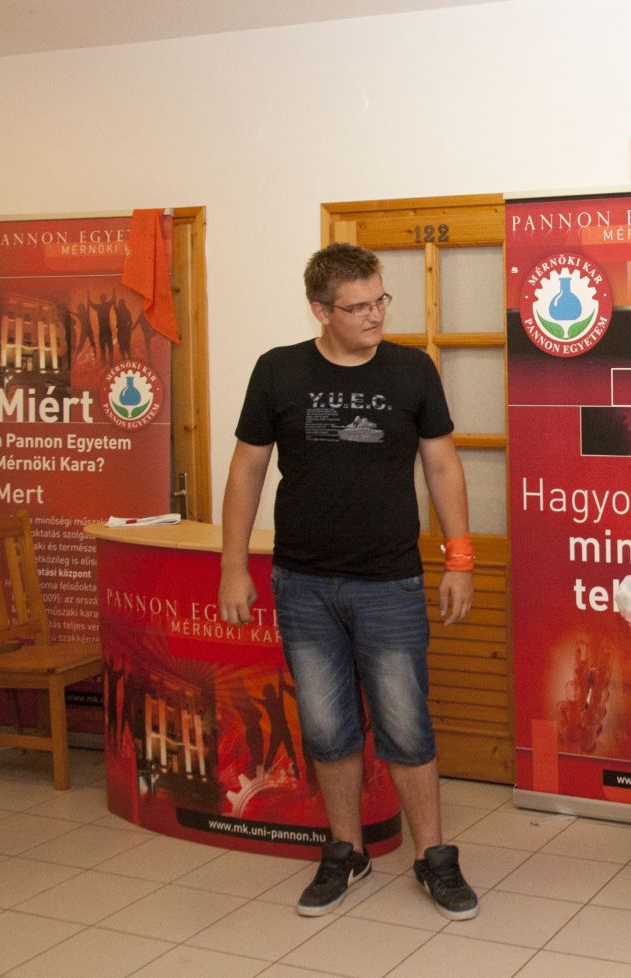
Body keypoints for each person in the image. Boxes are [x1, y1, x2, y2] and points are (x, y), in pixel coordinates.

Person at [217, 242, 478, 920]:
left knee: (406, 727)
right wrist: (233, 565)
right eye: (358, 307)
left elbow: (443, 466)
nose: (375, 316)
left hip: (389, 583)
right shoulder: (277, 371)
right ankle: (346, 850)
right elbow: (247, 469)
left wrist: (459, 559)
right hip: (302, 583)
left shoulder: (411, 370)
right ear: (321, 311)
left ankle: (433, 856)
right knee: (327, 728)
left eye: (380, 300)